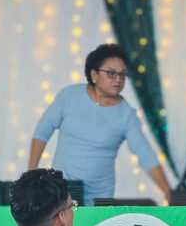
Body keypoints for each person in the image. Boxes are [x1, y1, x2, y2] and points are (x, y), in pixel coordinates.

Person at [29, 43, 173, 205]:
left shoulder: (127, 115)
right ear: (94, 75)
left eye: (123, 75)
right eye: (111, 73)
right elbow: (42, 133)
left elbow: (146, 156)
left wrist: (169, 194)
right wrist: (31, 174)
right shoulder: (69, 96)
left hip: (99, 198)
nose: (118, 80)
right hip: (62, 191)